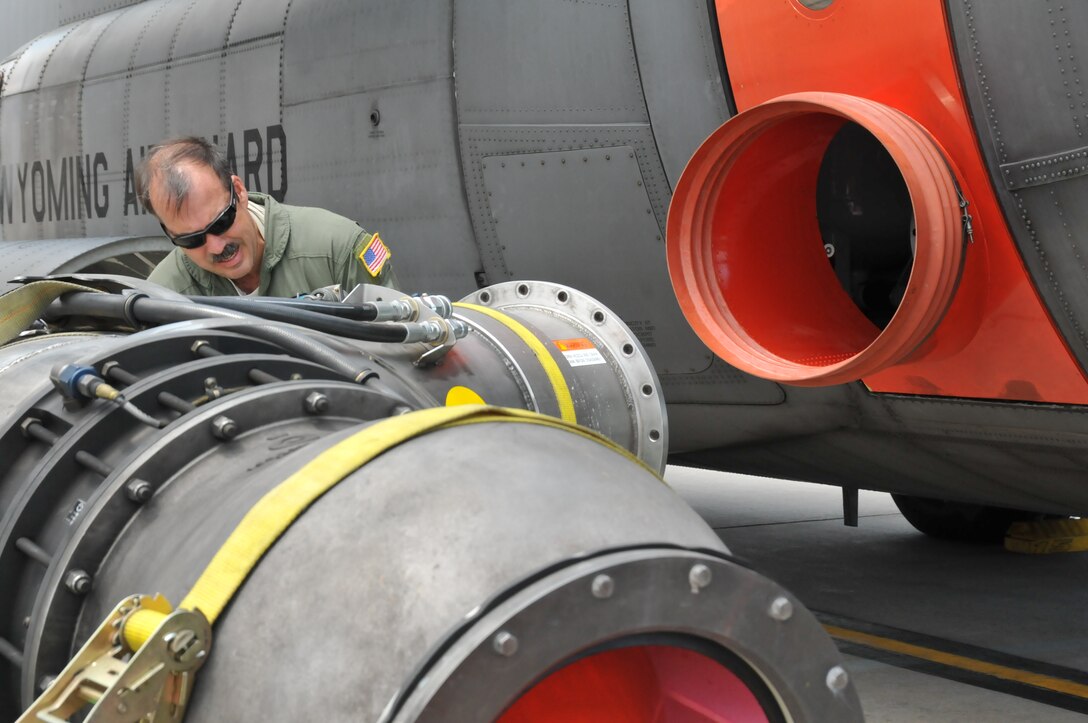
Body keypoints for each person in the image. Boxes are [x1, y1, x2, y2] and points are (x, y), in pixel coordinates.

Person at [138, 136, 398, 296]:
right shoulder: (163, 296)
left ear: (238, 191)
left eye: (222, 222)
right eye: (192, 240)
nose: (216, 246)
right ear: (170, 235)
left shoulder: (337, 251)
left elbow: (403, 354)